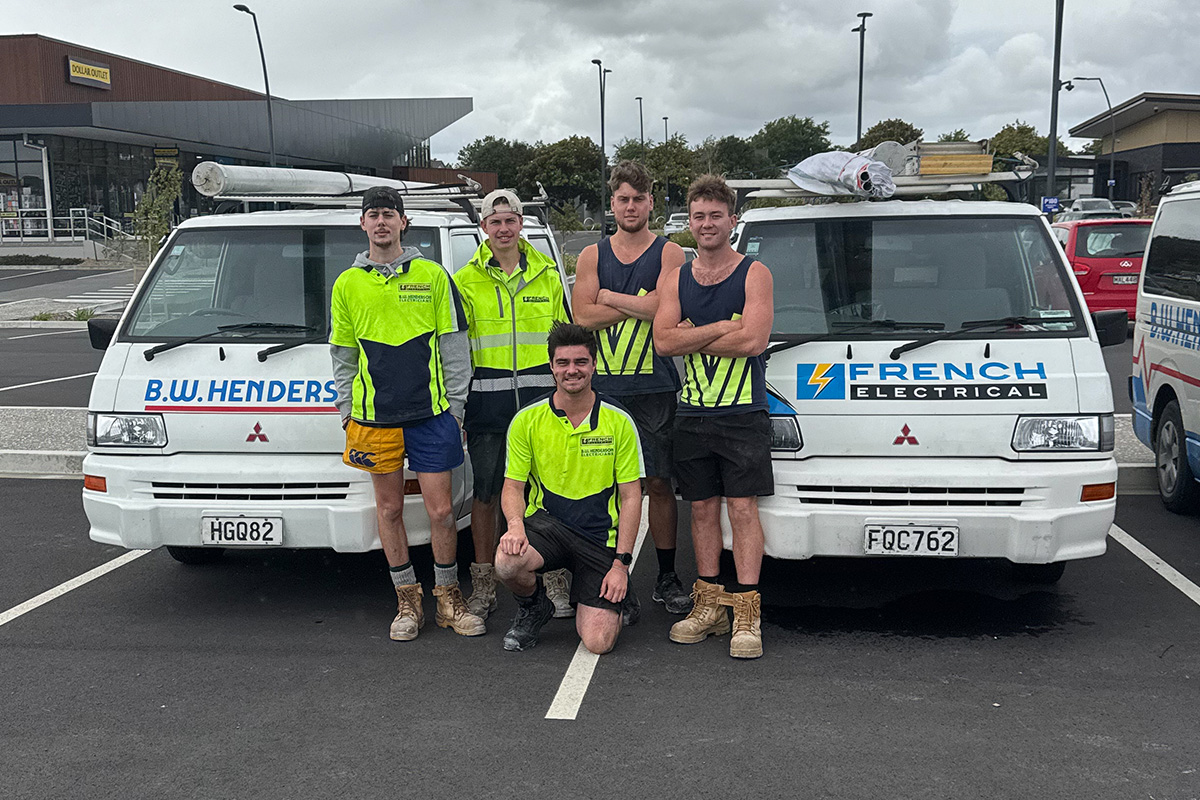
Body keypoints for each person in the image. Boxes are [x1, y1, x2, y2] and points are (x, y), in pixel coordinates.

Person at [329, 185, 485, 641]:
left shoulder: (433, 276)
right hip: (372, 419)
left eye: (389, 214)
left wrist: (455, 410)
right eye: (373, 214)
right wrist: (345, 411)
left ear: (403, 222)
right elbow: (342, 354)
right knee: (390, 508)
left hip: (431, 416)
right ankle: (407, 601)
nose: (381, 222)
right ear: (363, 224)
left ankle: (448, 599)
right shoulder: (347, 284)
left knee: (440, 512)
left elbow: (457, 348)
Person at [652, 174, 774, 659]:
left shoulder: (755, 273)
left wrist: (695, 330)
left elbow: (754, 342)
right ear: (690, 221)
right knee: (701, 509)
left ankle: (746, 611)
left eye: (715, 215)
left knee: (742, 510)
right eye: (698, 216)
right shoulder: (676, 276)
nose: (706, 224)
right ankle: (709, 605)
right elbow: (663, 341)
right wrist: (725, 324)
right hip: (693, 410)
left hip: (743, 413)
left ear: (732, 220)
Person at [572, 159, 692, 615]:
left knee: (658, 483)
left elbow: (668, 309)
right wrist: (640, 304)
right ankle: (603, 571)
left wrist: (609, 297)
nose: (630, 206)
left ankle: (666, 575)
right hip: (603, 389)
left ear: (651, 203)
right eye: (622, 198)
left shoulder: (669, 252)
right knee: (603, 485)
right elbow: (583, 317)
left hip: (655, 385)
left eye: (639, 199)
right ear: (613, 202)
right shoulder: (591, 255)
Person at [452, 189, 572, 620]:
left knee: (546, 494)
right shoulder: (464, 280)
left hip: (542, 405)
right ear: (483, 227)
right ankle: (484, 586)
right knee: (485, 495)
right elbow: (456, 350)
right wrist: (460, 405)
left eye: (510, 220)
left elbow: (564, 343)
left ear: (522, 224)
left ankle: (555, 578)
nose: (503, 229)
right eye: (494, 221)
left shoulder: (547, 274)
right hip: (487, 405)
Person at [494, 322, 644, 654]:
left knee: (598, 642)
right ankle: (536, 607)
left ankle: (618, 587)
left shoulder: (619, 421)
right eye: (563, 363)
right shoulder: (526, 420)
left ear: (593, 365)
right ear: (551, 366)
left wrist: (621, 565)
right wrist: (515, 527)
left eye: (580, 362)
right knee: (507, 561)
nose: (571, 370)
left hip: (598, 537)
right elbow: (512, 487)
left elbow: (632, 497)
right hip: (548, 527)